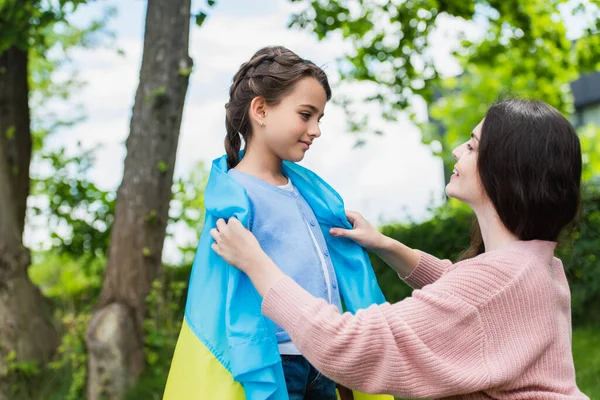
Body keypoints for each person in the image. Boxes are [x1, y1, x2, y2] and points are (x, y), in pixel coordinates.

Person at [210, 99, 590, 399]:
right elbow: (463, 293)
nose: (458, 151)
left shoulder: (496, 282)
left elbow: (350, 346)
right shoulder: (539, 266)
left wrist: (256, 262)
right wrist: (384, 244)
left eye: (473, 145)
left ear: (506, 171)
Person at [163, 46, 391, 400]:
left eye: (320, 118)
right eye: (305, 114)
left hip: (323, 356)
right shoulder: (234, 196)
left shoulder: (309, 192)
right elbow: (228, 298)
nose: (315, 130)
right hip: (278, 364)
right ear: (261, 109)